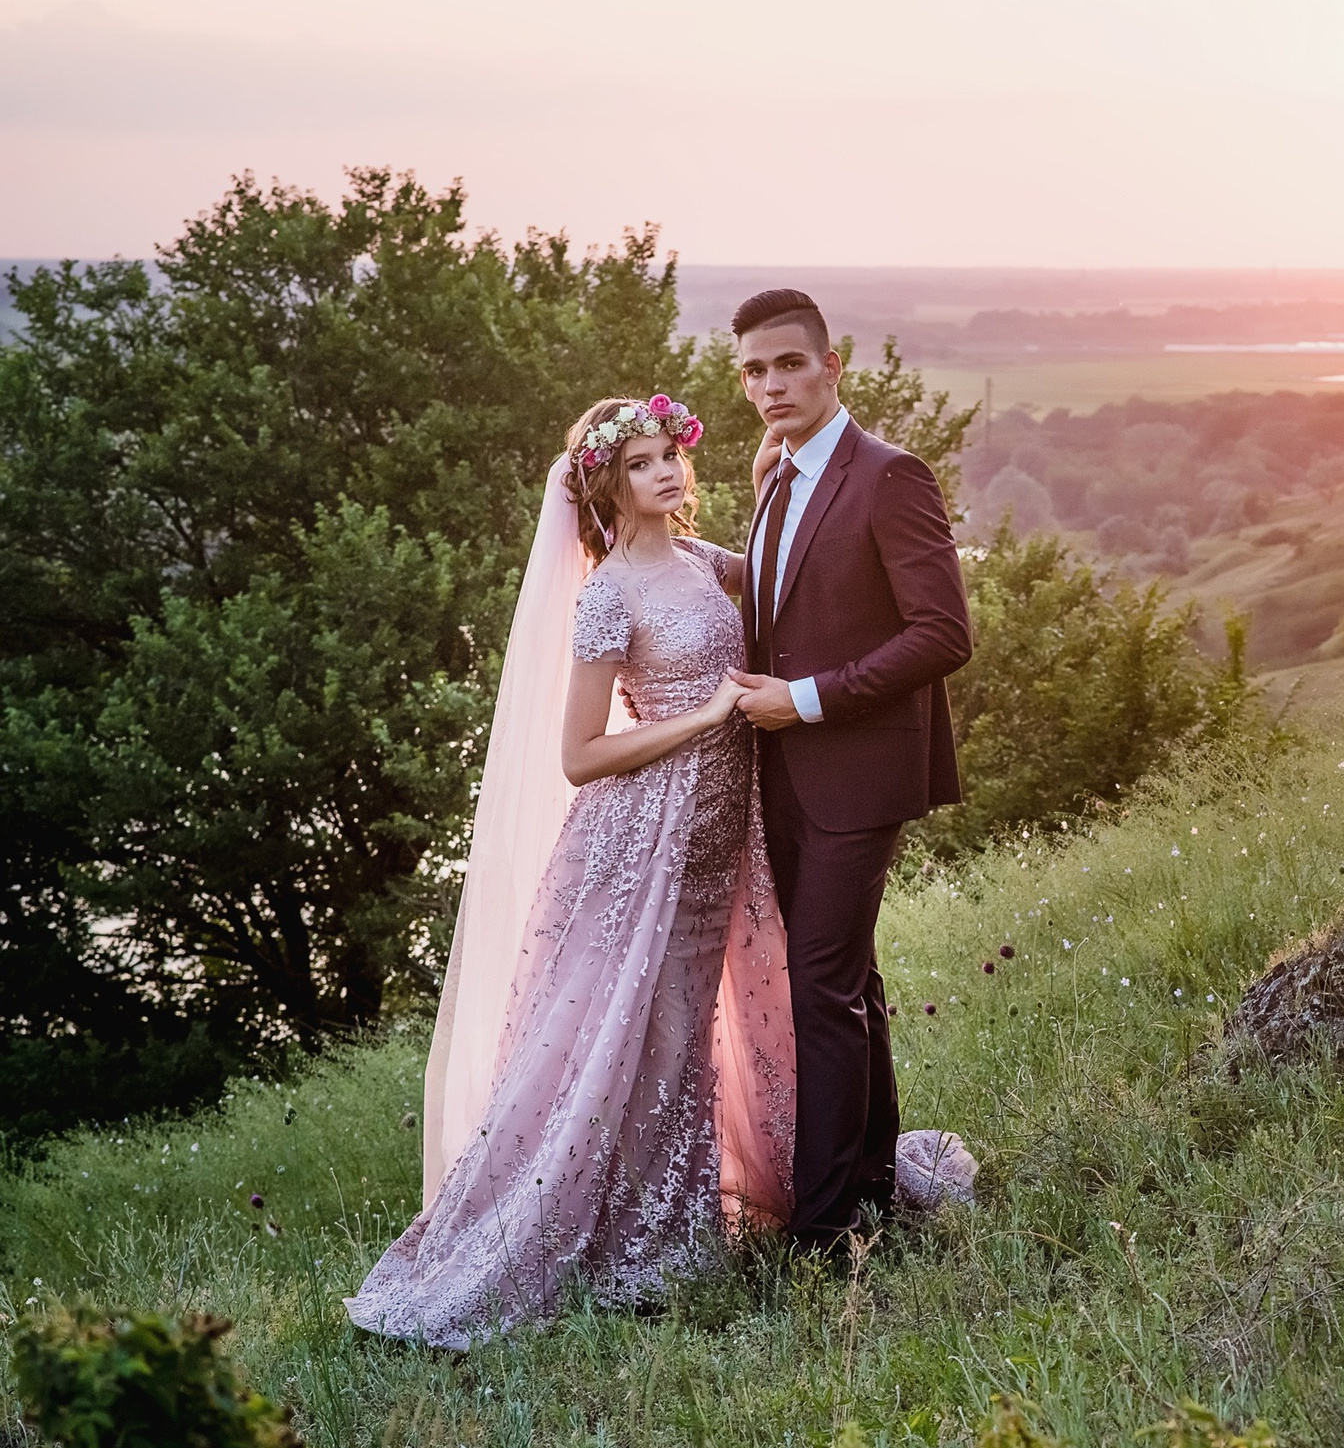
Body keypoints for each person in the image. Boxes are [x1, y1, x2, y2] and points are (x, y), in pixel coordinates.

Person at [346, 395, 795, 1348]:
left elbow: (773, 572)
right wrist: (704, 716)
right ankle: (642, 1246)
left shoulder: (708, 563)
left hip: (720, 831)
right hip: (645, 834)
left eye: (670, 452)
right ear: (606, 482)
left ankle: (697, 1214)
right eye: (640, 463)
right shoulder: (608, 595)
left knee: (701, 1024)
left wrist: (768, 473)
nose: (666, 472)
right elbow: (581, 754)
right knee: (648, 1033)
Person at [722, 287, 973, 1247]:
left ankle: (827, 1238)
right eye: (753, 369)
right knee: (849, 980)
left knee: (819, 985)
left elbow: (943, 633)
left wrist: (809, 698)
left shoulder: (889, 475)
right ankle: (867, 1187)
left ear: (834, 366)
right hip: (783, 774)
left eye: (789, 363)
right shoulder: (778, 475)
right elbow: (784, 591)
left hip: (857, 772)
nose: (771, 383)